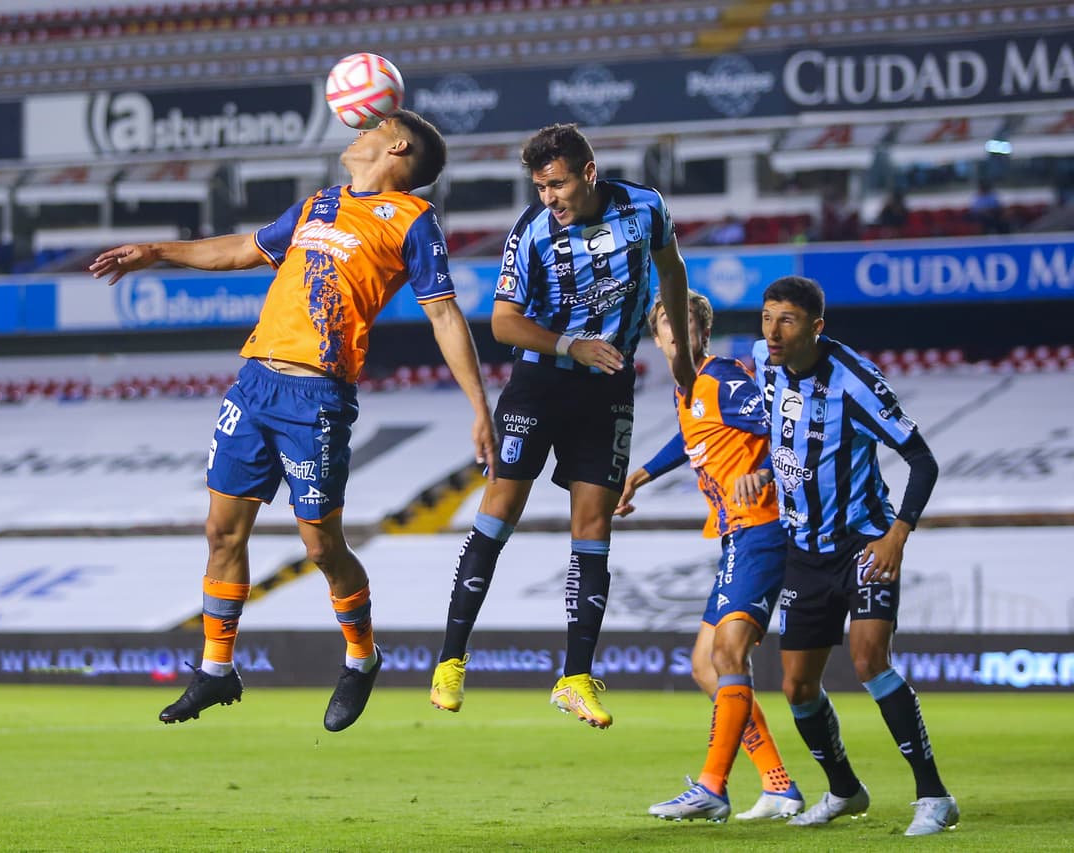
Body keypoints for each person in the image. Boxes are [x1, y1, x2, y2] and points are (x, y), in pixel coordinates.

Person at [89, 110, 497, 732]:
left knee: (319, 545)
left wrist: (478, 408)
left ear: (397, 146)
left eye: (370, 128)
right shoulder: (319, 205)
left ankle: (362, 658)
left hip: (317, 399)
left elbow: (444, 315)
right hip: (254, 384)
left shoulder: (414, 220)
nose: (355, 134)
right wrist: (157, 251)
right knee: (222, 533)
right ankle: (217, 671)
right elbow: (240, 251)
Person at [429, 123, 696, 729]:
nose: (549, 197)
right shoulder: (530, 233)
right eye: (540, 186)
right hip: (539, 383)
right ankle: (450, 659)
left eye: (557, 183)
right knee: (498, 513)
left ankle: (575, 677)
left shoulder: (645, 208)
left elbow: (672, 272)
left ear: (589, 172)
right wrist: (571, 345)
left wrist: (677, 351)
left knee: (595, 526)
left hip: (608, 391)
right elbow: (502, 322)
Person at [754, 275, 958, 836]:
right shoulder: (763, 362)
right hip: (803, 549)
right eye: (767, 317)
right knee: (795, 685)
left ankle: (934, 796)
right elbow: (773, 431)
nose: (773, 331)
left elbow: (923, 460)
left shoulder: (856, 383)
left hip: (862, 544)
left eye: (787, 320)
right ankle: (845, 789)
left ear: (816, 327)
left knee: (869, 659)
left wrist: (897, 534)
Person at [616, 291, 803, 822]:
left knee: (726, 656)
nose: (676, 336)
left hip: (763, 527)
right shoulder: (688, 389)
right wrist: (643, 473)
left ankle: (712, 787)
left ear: (701, 332)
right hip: (733, 536)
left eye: (685, 326)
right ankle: (779, 786)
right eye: (667, 330)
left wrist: (764, 472)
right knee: (705, 666)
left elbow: (783, 430)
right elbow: (691, 435)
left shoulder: (723, 378)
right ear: (657, 341)